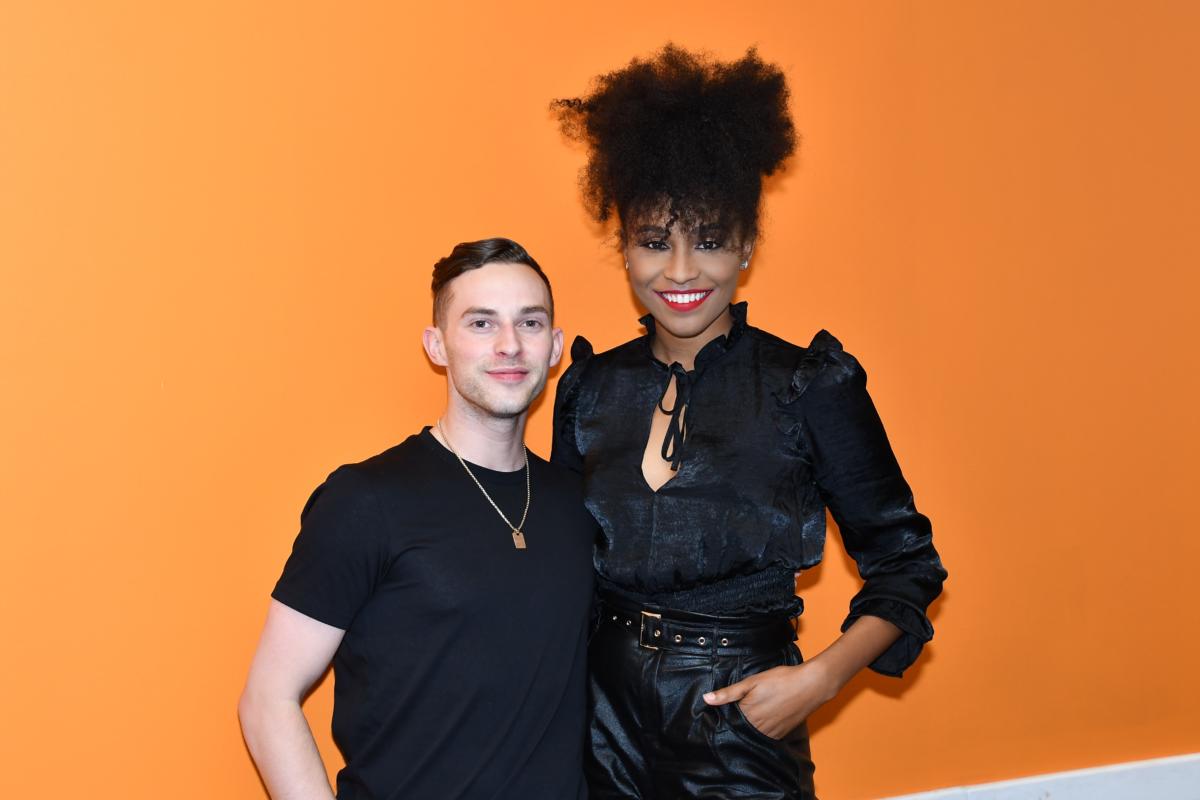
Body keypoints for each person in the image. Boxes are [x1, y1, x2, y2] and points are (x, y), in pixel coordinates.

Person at [551, 46, 948, 799]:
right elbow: (559, 566)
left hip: (738, 715)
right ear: (624, 248)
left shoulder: (808, 385)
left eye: (708, 240)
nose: (679, 271)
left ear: (746, 247)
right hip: (599, 719)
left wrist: (818, 680)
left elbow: (908, 566)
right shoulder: (590, 389)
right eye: (653, 241)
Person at [238, 237, 595, 800]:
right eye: (481, 323)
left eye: (529, 323)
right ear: (437, 345)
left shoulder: (578, 505)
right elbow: (267, 700)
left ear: (553, 347)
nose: (509, 345)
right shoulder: (366, 501)